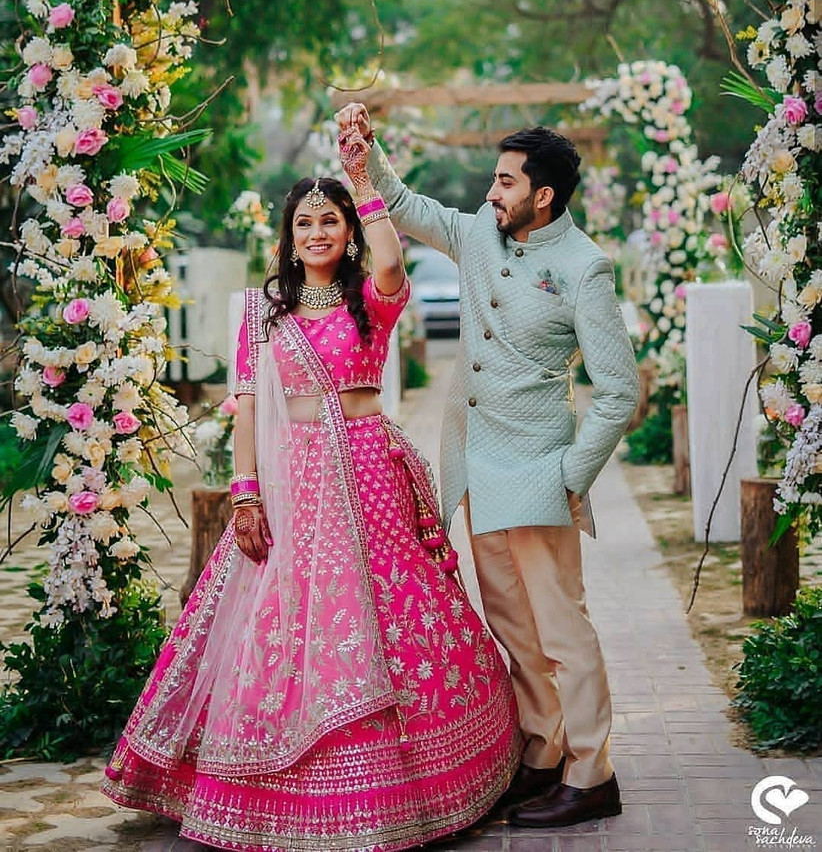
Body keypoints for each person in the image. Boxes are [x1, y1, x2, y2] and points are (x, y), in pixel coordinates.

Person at [100, 130, 522, 851]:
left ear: (348, 231)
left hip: (368, 475)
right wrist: (244, 493)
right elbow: (247, 409)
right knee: (288, 605)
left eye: (331, 220)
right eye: (305, 222)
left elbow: (391, 259)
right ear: (290, 239)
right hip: (292, 481)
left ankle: (405, 776)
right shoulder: (263, 313)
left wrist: (362, 177)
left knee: (390, 602)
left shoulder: (370, 299)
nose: (319, 230)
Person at [335, 104, 640, 829]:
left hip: (541, 471)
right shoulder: (477, 234)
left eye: (505, 182)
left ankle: (593, 770)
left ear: (544, 195)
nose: (490, 192)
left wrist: (572, 476)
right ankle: (542, 753)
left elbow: (619, 388)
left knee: (562, 626)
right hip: (476, 461)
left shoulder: (582, 267)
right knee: (511, 622)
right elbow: (404, 206)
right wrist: (366, 158)